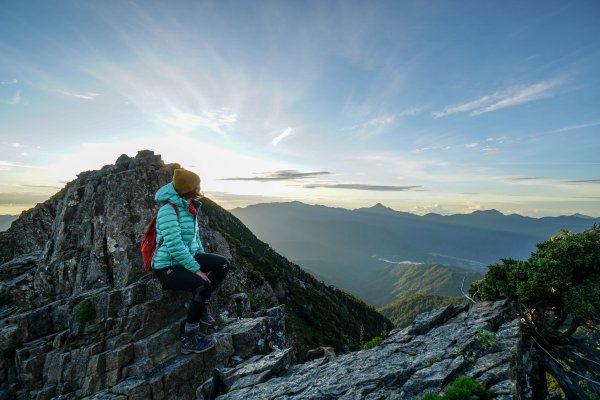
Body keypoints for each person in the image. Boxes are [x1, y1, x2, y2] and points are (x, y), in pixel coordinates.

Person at [152, 168, 230, 354]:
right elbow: (174, 246)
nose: (200, 187)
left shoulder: (190, 206)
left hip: (187, 256)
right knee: (202, 285)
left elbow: (194, 239)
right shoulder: (168, 211)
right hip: (167, 265)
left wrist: (200, 257)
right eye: (198, 184)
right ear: (191, 188)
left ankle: (198, 305)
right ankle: (189, 338)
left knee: (223, 264)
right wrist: (196, 269)